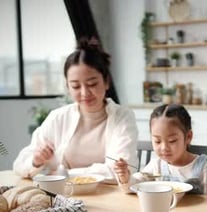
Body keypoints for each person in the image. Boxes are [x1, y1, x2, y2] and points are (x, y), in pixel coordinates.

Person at [13, 37, 138, 183]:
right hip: (62, 196)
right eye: (76, 86)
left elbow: (120, 170)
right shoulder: (58, 117)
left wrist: (64, 174)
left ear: (106, 82)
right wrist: (36, 161)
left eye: (92, 84)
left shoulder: (122, 117)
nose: (85, 93)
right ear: (68, 87)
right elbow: (19, 165)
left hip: (107, 196)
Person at [116, 104, 207, 196]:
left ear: (188, 137)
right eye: (157, 141)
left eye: (172, 141)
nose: (164, 148)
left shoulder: (205, 171)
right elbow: (133, 186)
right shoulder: (156, 166)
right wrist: (125, 177)